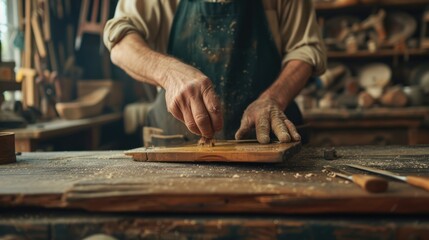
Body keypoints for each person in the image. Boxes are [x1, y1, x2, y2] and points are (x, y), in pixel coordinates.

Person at [103, 0, 326, 144]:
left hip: (266, 141)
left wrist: (273, 98)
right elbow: (120, 43)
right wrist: (169, 73)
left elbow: (305, 48)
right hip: (177, 142)